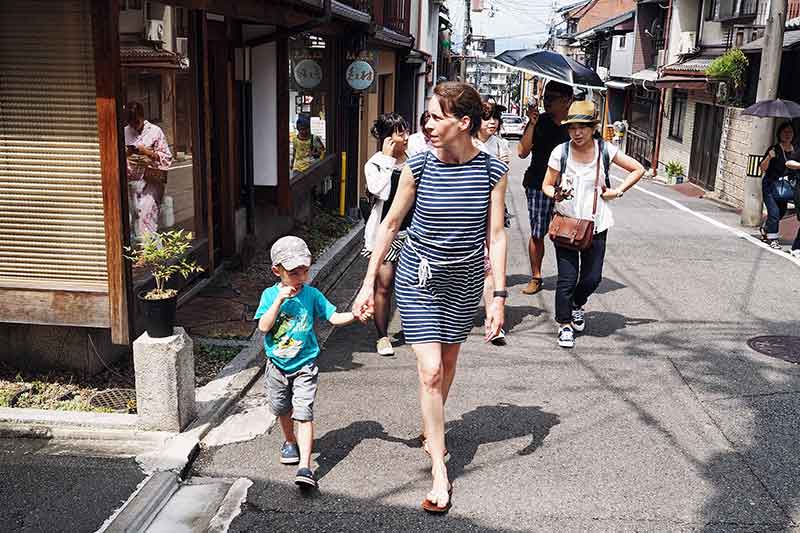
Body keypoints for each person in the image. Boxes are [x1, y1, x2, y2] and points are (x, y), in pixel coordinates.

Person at [352, 82, 509, 513]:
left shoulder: (493, 171)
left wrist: (498, 296)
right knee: (431, 370)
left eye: (436, 116)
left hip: (463, 284)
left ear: (463, 122)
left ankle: (431, 426)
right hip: (419, 279)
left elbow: (496, 234)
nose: (427, 124)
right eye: (427, 116)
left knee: (449, 364)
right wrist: (368, 282)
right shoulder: (416, 168)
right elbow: (389, 224)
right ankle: (439, 468)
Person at [255, 236, 356, 489]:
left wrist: (355, 314)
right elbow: (263, 327)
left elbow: (333, 317)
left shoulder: (312, 295)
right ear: (277, 271)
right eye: (293, 272)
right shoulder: (269, 295)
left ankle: (306, 467)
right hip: (277, 365)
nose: (301, 277)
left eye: (305, 271)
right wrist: (279, 300)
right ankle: (290, 442)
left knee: (304, 412)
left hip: (305, 366)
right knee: (281, 408)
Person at [542, 100, 644, 349]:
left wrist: (617, 191)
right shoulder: (561, 152)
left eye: (583, 127)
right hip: (566, 222)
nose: (577, 133)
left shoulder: (606, 150)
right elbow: (546, 184)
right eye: (572, 127)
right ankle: (564, 324)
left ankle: (577, 304)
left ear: (593, 127)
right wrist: (555, 193)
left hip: (596, 224)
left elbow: (638, 169)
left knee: (593, 278)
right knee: (567, 278)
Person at [361, 113, 412, 356]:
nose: (405, 136)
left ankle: (412, 329)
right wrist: (389, 159)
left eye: (405, 131)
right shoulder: (375, 163)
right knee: (384, 284)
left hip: (413, 233)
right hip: (384, 234)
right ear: (387, 138)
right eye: (399, 132)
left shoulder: (414, 160)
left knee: (412, 284)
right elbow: (378, 190)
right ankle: (382, 336)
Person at [517, 82, 573, 295]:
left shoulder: (576, 125)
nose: (547, 100)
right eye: (546, 96)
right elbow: (522, 152)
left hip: (567, 189)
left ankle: (567, 278)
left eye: (553, 96)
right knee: (538, 233)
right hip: (538, 185)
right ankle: (536, 277)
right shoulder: (539, 121)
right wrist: (531, 124)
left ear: (568, 100)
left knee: (567, 235)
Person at [474, 100, 511, 345]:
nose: (492, 122)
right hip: (467, 213)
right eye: (487, 117)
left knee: (491, 268)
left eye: (495, 118)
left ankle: (492, 321)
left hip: (492, 212)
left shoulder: (501, 144)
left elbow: (502, 177)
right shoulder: (465, 143)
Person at [124, 101, 173, 237]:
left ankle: (149, 254)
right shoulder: (124, 132)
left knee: (146, 216)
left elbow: (167, 158)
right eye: (131, 123)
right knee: (132, 218)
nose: (134, 126)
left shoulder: (155, 131)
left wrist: (147, 152)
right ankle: (139, 252)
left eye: (136, 122)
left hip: (151, 180)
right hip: (131, 182)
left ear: (142, 117)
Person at [760, 122, 800, 256]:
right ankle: (773, 239)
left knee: (781, 211)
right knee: (774, 212)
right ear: (779, 134)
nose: (787, 135)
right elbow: (763, 168)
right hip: (770, 185)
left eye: (790, 132)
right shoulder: (774, 149)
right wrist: (769, 158)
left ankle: (766, 228)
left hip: (785, 186)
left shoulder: (795, 149)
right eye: (785, 132)